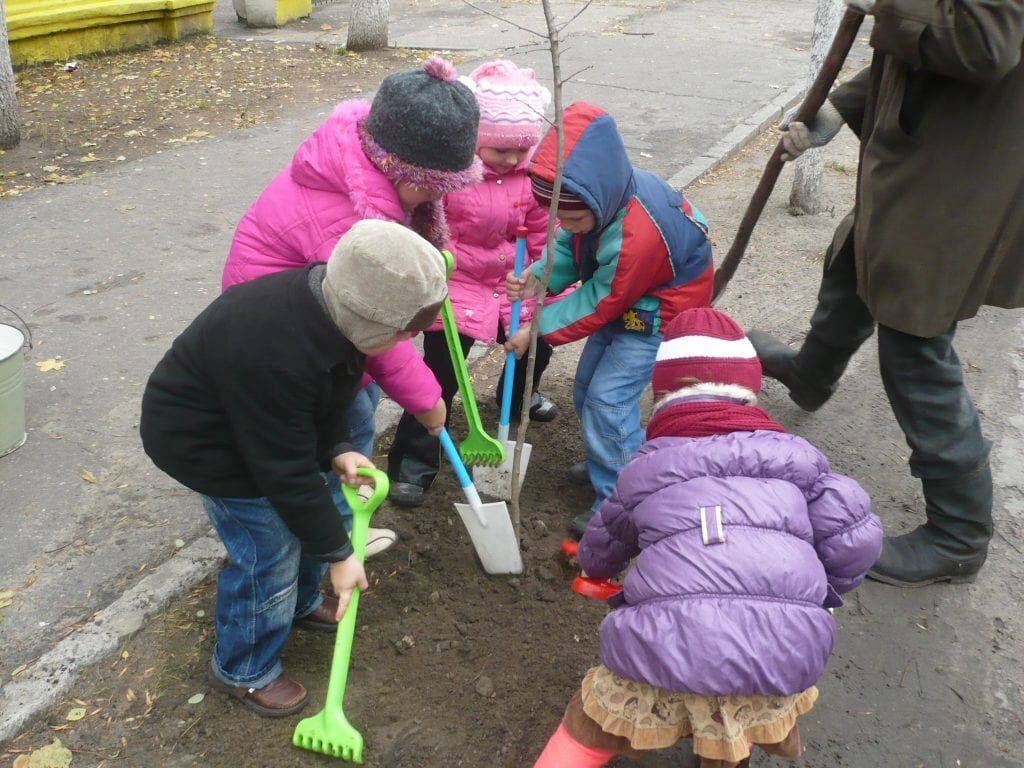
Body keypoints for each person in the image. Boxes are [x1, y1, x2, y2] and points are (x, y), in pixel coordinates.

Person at [747, 0, 1024, 587]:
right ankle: (812, 374)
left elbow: (983, 44)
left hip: (963, 170)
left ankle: (958, 534)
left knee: (913, 337)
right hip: (929, 151)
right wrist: (838, 111)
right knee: (853, 262)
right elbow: (917, 50)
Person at [533, 307, 883, 768]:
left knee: (591, 725)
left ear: (663, 398)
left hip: (661, 643)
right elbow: (856, 541)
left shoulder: (646, 468)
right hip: (780, 649)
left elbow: (603, 546)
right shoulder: (802, 461)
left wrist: (594, 566)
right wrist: (817, 590)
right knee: (737, 724)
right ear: (749, 394)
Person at [140, 222, 449, 717]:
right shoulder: (275, 350)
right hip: (209, 446)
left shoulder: (331, 311)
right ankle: (243, 668)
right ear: (369, 319)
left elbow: (326, 396)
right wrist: (340, 554)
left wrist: (338, 446)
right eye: (404, 332)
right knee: (269, 552)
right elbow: (282, 470)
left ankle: (302, 604)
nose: (409, 340)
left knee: (312, 509)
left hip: (261, 430)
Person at [222, 55, 483, 528]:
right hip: (292, 351)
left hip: (317, 337)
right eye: (432, 188)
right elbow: (374, 324)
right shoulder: (352, 224)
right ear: (405, 173)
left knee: (342, 433)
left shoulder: (357, 166)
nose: (437, 200)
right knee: (347, 436)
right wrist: (426, 399)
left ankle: (334, 529)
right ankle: (338, 537)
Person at [505, 101, 714, 537]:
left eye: (573, 218)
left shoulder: (637, 235)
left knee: (608, 401)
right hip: (628, 305)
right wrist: (539, 279)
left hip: (657, 314)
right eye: (559, 217)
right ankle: (609, 456)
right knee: (586, 390)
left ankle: (623, 499)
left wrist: (536, 328)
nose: (567, 225)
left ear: (596, 200)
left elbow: (603, 298)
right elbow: (570, 249)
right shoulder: (599, 200)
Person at [387, 59, 556, 507]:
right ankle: (413, 461)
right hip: (457, 284)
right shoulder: (455, 179)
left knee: (541, 341)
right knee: (438, 375)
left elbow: (542, 236)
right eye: (501, 150)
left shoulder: (535, 180)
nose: (512, 159)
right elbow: (429, 229)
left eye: (522, 150)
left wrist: (542, 279)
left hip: (514, 284)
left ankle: (518, 393)